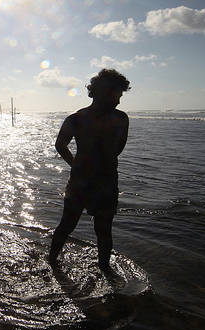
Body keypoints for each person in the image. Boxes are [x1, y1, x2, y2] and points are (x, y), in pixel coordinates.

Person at [49, 68, 131, 271]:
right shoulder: (119, 119)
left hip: (89, 179)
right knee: (100, 230)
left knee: (71, 225)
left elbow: (60, 145)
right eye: (117, 94)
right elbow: (118, 149)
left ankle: (54, 261)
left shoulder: (77, 118)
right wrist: (87, 163)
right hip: (100, 180)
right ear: (104, 92)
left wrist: (77, 163)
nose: (119, 100)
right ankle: (103, 270)